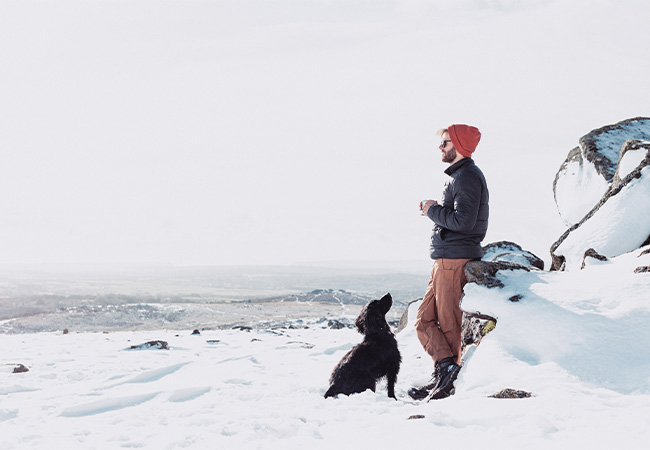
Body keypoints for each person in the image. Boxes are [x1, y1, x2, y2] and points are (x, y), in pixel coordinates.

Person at [408, 124, 489, 401]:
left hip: (454, 259)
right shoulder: (460, 176)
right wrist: (436, 210)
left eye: (444, 143)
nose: (440, 148)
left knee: (449, 323)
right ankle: (443, 371)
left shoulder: (466, 176)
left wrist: (433, 210)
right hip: (445, 259)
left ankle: (448, 381)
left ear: (458, 145)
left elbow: (463, 222)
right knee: (423, 320)